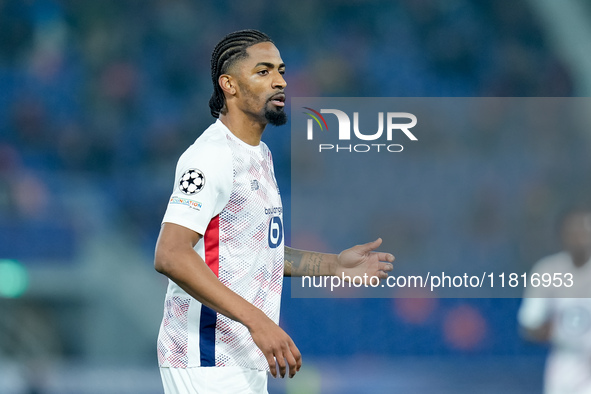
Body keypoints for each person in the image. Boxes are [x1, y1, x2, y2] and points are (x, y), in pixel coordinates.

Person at [154, 29, 395, 394]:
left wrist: (333, 266)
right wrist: (259, 322)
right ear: (229, 85)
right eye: (263, 71)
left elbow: (250, 253)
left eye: (281, 70)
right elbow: (170, 254)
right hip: (205, 355)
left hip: (242, 356)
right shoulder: (209, 157)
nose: (280, 81)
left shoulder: (260, 155)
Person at [518, 207, 591, 394]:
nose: (580, 236)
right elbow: (529, 324)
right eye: (573, 231)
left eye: (584, 230)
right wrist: (557, 328)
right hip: (565, 362)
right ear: (562, 235)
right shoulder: (547, 271)